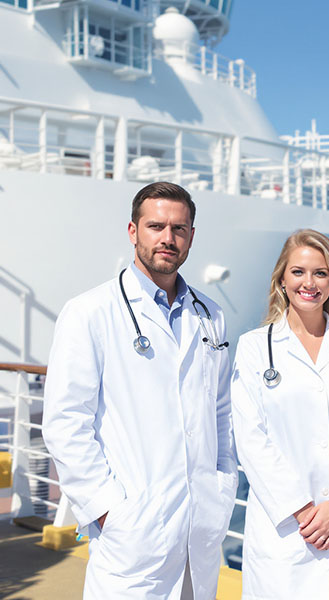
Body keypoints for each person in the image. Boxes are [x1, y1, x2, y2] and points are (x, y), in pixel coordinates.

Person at [42, 182, 237, 599]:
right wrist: (107, 510)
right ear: (133, 231)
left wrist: (223, 487)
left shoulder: (211, 316)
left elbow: (222, 413)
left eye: (179, 229)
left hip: (198, 528)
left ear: (191, 236)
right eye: (156, 226)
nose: (168, 238)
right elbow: (65, 422)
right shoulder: (89, 312)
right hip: (131, 533)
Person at [230, 229, 329, 600]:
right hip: (286, 528)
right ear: (282, 280)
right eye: (298, 272)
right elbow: (250, 438)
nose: (309, 282)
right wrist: (306, 513)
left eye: (320, 273)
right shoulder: (255, 348)